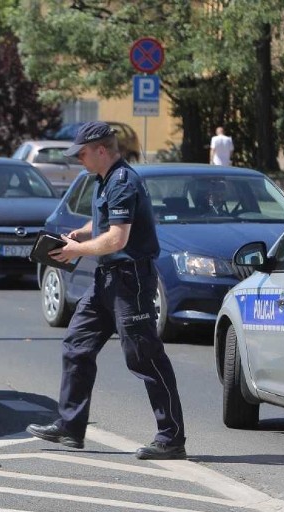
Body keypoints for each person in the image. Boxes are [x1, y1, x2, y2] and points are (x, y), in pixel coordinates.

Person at [26, 121, 187, 460]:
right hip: (106, 279)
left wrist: (74, 251)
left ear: (101, 150)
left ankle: (171, 438)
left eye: (82, 153)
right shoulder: (102, 180)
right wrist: (81, 234)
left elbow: (118, 238)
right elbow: (102, 225)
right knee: (76, 346)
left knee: (144, 357)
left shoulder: (123, 182)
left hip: (130, 280)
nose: (78, 160)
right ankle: (71, 428)